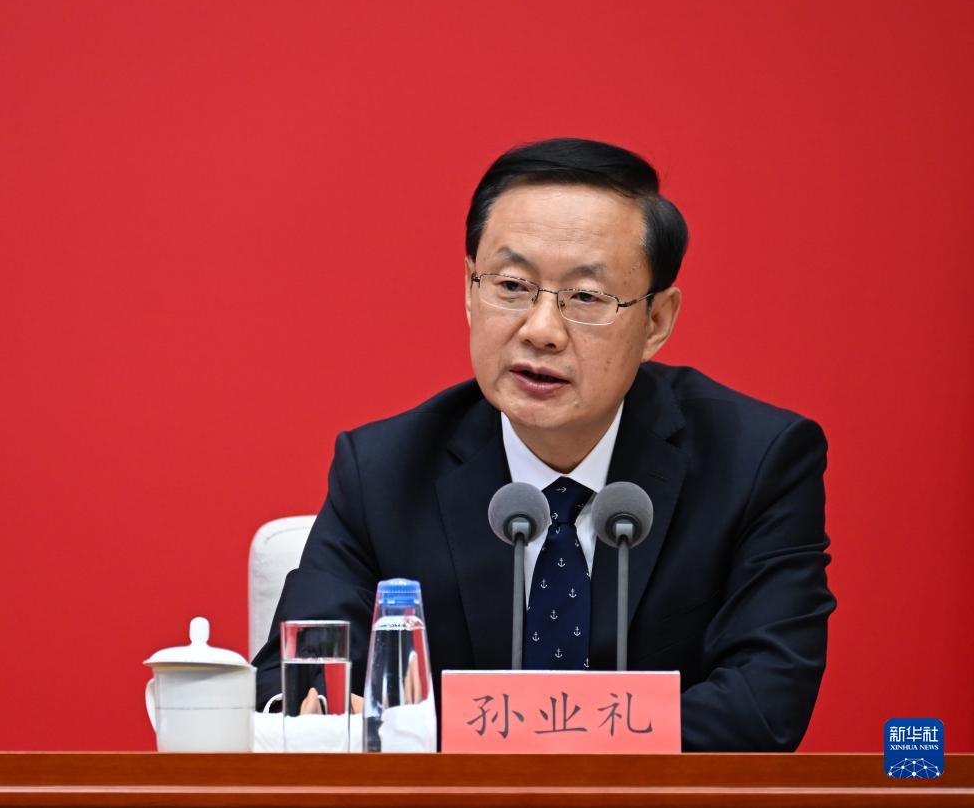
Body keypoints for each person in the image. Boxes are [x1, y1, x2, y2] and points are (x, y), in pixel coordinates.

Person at [253, 137, 836, 751]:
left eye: (586, 297)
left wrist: (453, 732)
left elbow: (762, 709)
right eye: (511, 285)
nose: (541, 330)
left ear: (656, 322)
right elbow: (292, 685)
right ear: (469, 291)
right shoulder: (383, 471)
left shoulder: (756, 463)